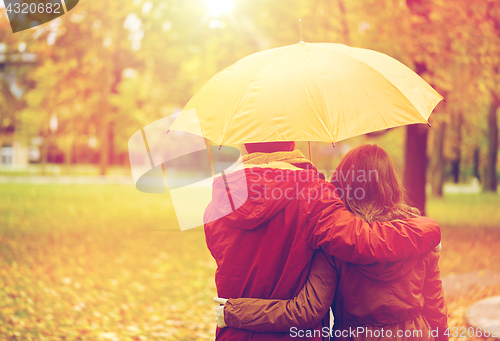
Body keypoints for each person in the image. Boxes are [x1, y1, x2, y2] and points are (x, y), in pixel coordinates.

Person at [204, 141, 441, 341]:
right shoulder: (315, 198)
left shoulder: (217, 205)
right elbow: (368, 241)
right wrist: (428, 229)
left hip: (235, 332)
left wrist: (234, 313)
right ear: (290, 144)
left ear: (247, 146)